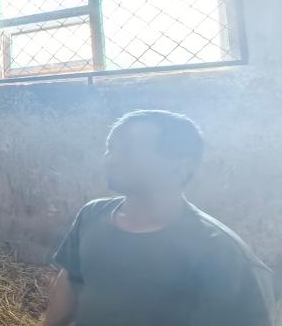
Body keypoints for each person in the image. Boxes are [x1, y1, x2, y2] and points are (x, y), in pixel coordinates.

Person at [44, 110, 276, 326]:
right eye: (110, 148)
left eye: (127, 150)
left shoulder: (222, 253)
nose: (110, 159)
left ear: (180, 165)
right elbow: (71, 280)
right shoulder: (92, 216)